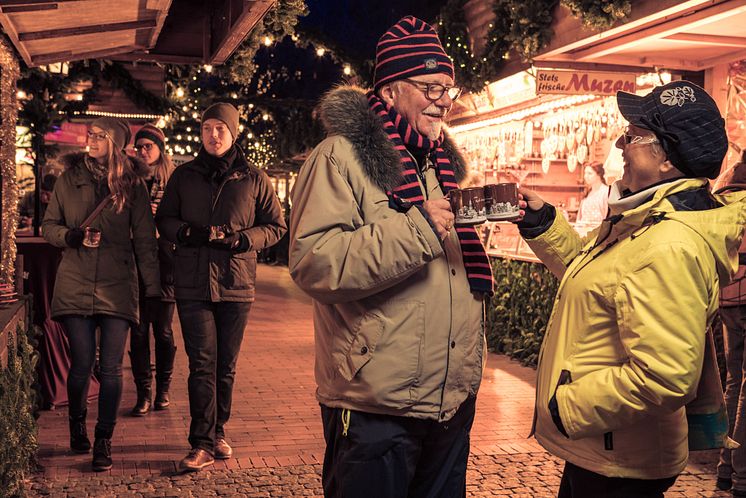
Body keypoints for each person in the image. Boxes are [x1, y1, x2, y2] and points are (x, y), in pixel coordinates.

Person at [289, 16, 491, 498]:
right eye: (431, 87)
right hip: (375, 405)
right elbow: (315, 262)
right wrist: (419, 228)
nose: (445, 99)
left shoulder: (439, 165)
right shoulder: (340, 156)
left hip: (450, 401)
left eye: (449, 87)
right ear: (390, 90)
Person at [515, 80, 746, 497]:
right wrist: (544, 224)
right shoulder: (646, 221)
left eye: (635, 135)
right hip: (605, 447)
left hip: (621, 461)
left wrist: (567, 407)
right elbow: (605, 284)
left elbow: (665, 377)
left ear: (666, 161)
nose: (621, 143)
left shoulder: (669, 244)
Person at [156, 103, 287, 472]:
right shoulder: (184, 176)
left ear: (234, 133)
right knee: (202, 364)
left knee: (225, 366)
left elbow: (276, 227)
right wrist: (185, 232)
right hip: (193, 282)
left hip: (235, 282)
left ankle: (218, 431)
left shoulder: (254, 178)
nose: (213, 135)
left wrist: (243, 239)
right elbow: (164, 218)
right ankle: (200, 442)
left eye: (221, 129)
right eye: (207, 127)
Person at [42, 117, 160, 472]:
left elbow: (144, 240)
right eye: (89, 135)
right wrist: (71, 237)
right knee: (81, 365)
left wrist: (152, 288)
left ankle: (103, 439)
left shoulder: (132, 186)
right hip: (76, 280)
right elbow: (49, 226)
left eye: (98, 136)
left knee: (110, 369)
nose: (90, 140)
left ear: (115, 142)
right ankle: (77, 424)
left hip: (117, 286)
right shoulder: (69, 179)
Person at [129, 124, 177, 416]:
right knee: (137, 332)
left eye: (149, 146)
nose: (143, 151)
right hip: (133, 266)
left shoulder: (172, 182)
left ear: (160, 149)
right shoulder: (129, 180)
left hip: (164, 266)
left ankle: (163, 390)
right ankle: (143, 392)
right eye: (140, 147)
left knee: (163, 331)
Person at [715, 156, 746, 497]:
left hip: (727, 297)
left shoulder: (724, 186)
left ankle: (726, 470)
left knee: (734, 381)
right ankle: (741, 479)